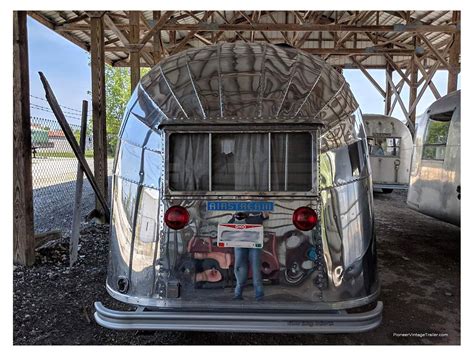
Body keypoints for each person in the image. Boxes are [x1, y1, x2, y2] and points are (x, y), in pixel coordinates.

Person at [230, 211, 269, 301]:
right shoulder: (239, 213)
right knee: (240, 267)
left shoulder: (258, 210)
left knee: (255, 268)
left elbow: (266, 215)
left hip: (254, 243)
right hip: (240, 242)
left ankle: (258, 294)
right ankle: (239, 294)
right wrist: (234, 217)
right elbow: (230, 224)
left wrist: (263, 209)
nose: (247, 199)